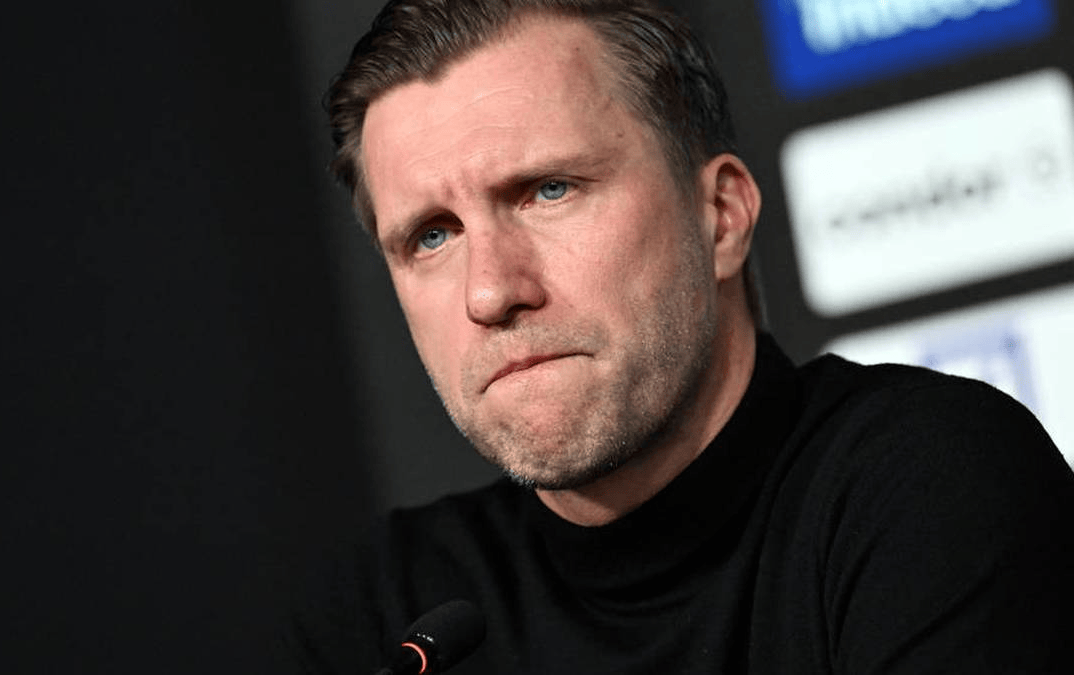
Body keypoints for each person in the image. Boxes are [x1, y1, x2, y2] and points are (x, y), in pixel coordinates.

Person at [278, 0, 1074, 672]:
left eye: (548, 190)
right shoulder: (387, 611)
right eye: (431, 236)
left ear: (721, 217)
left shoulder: (929, 488)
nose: (490, 292)